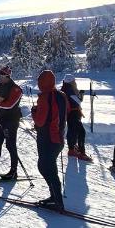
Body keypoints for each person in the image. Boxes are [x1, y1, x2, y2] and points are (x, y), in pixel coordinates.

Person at [31, 69, 68, 210]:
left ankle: (57, 200)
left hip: (47, 137)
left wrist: (35, 112)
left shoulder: (45, 97)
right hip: (58, 137)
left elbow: (40, 121)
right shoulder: (61, 95)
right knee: (49, 167)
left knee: (46, 167)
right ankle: (55, 197)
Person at [61, 75, 92, 162]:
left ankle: (72, 149)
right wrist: (81, 94)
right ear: (71, 81)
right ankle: (81, 153)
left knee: (72, 131)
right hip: (74, 113)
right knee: (81, 132)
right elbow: (78, 101)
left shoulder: (64, 89)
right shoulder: (70, 90)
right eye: (74, 81)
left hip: (69, 114)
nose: (75, 82)